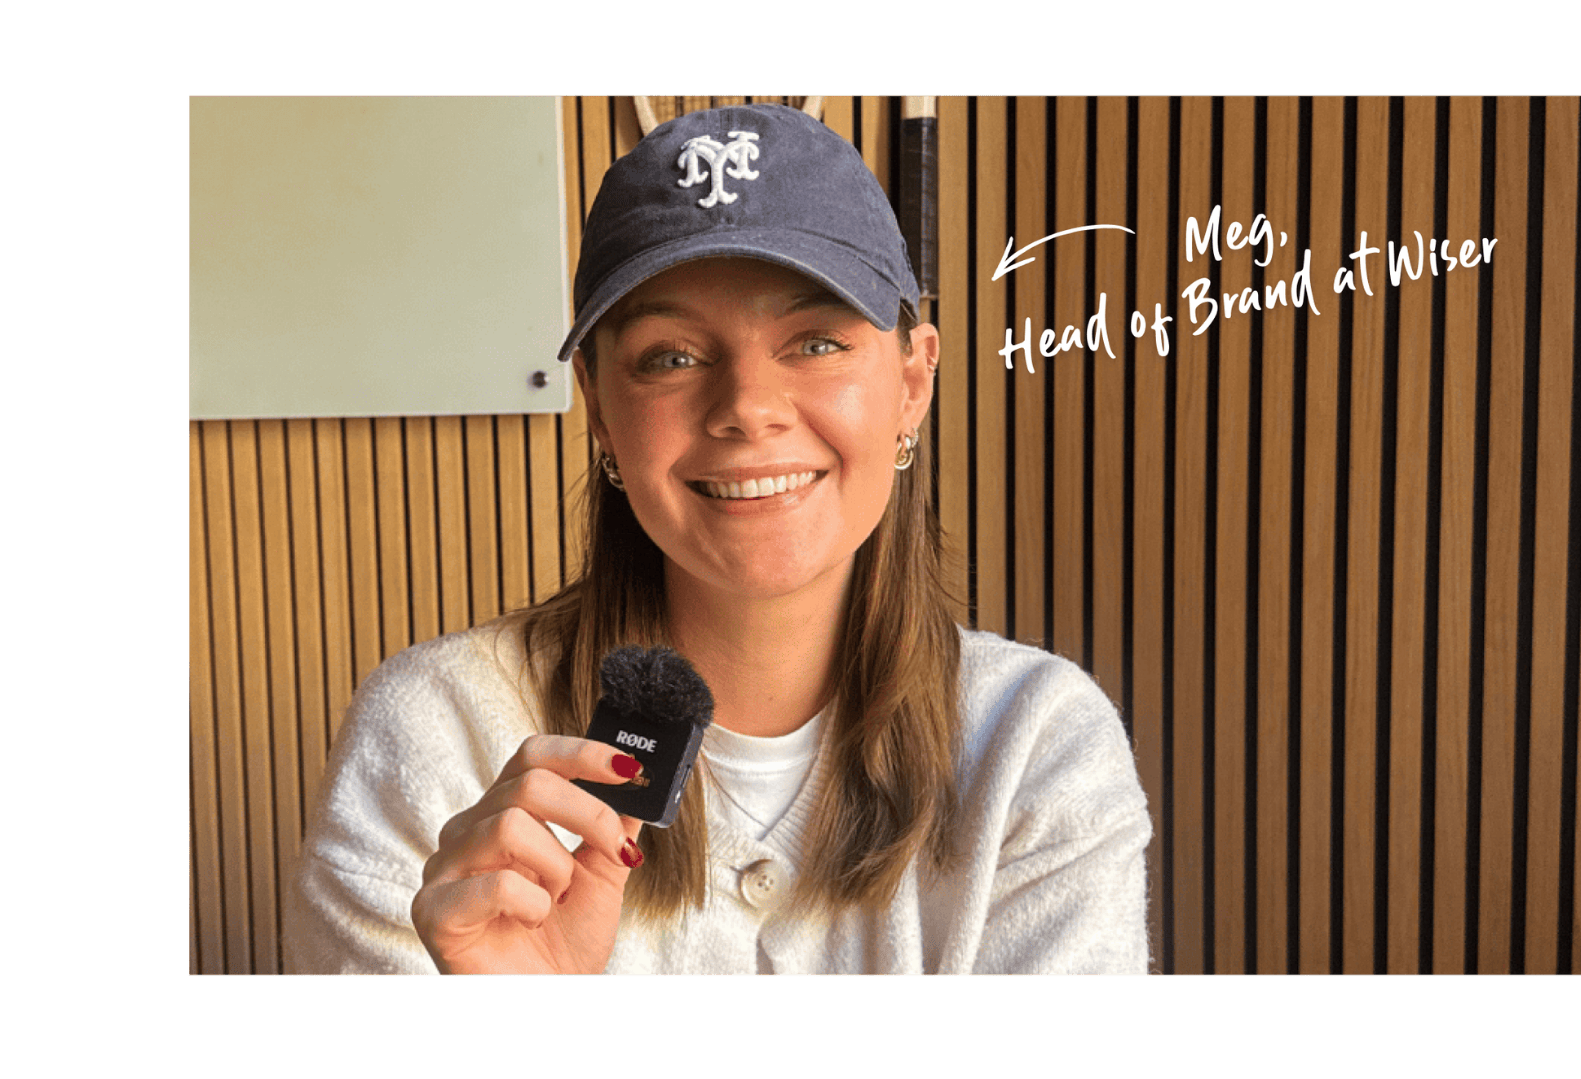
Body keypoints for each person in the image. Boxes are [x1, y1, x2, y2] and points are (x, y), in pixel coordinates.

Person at [284, 103, 1152, 975]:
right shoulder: (439, 740)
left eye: (815, 342)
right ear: (599, 406)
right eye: (672, 355)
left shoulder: (1037, 748)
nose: (746, 406)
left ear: (914, 381)